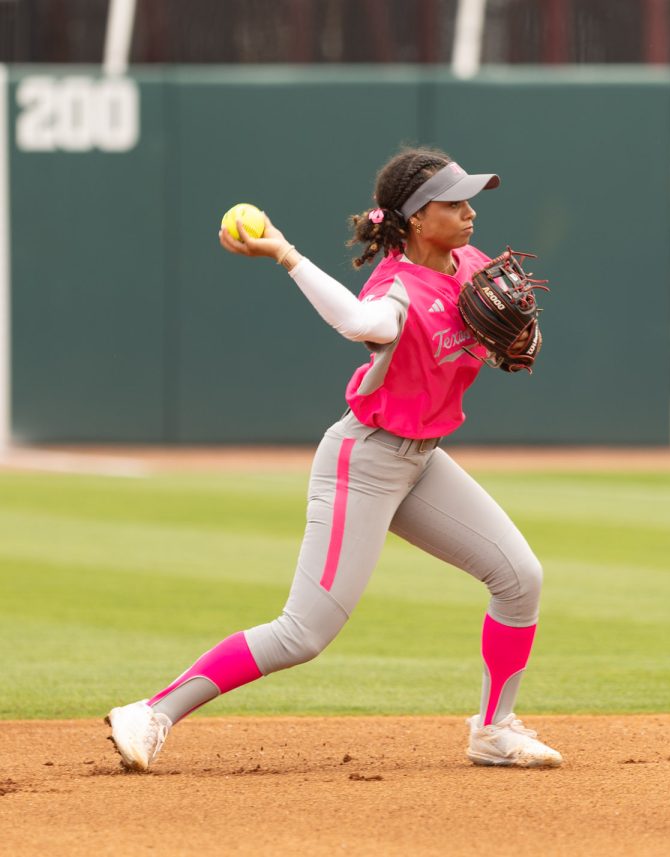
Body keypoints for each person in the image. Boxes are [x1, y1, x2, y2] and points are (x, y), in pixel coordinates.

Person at [105, 146, 562, 770]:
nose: (468, 211)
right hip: (366, 460)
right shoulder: (397, 291)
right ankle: (151, 712)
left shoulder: (470, 265)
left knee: (520, 579)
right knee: (304, 632)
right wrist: (287, 255)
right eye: (452, 203)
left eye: (468, 199)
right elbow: (355, 321)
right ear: (416, 219)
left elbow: (497, 328)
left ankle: (493, 728)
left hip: (422, 461)